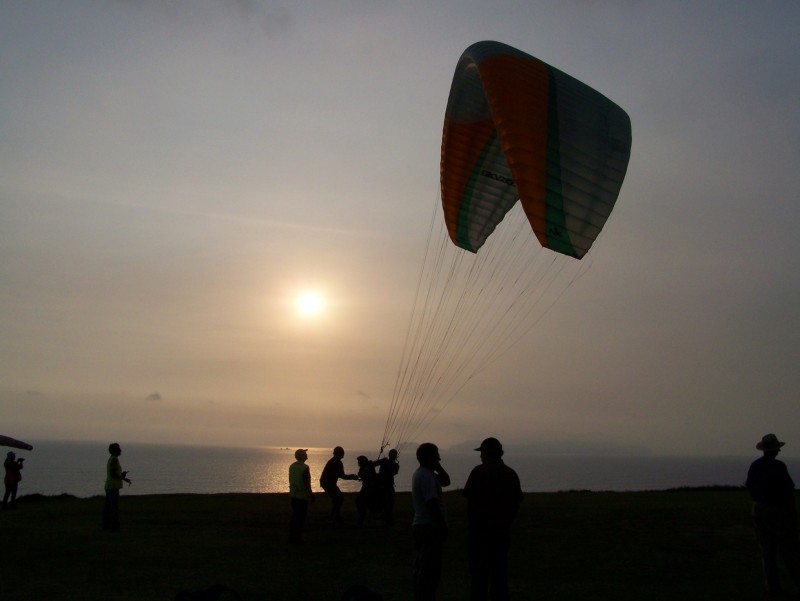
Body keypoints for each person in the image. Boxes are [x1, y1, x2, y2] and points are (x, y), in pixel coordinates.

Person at [462, 437, 523, 601]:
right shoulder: (510, 474)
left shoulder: (478, 471)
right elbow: (516, 502)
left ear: (487, 453)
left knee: (478, 575)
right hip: (501, 532)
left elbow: (469, 497)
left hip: (479, 533)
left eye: (481, 452)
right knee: (499, 573)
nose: (480, 456)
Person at [746, 433, 800, 598]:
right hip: (776, 510)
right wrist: (793, 514)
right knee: (789, 551)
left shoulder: (755, 465)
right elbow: (787, 491)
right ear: (775, 449)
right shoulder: (778, 467)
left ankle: (773, 588)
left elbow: (750, 486)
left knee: (767, 552)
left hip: (758, 508)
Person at [411, 442, 450, 601]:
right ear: (428, 457)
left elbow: (446, 481)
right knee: (429, 568)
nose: (439, 458)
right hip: (428, 527)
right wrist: (442, 526)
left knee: (424, 565)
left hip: (422, 526)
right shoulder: (426, 476)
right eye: (436, 455)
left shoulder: (425, 473)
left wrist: (437, 466)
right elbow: (431, 503)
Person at [320, 446, 358, 523]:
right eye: (342, 453)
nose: (343, 454)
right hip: (328, 483)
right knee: (339, 498)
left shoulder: (333, 461)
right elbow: (342, 476)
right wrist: (352, 477)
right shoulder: (337, 462)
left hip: (327, 483)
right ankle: (333, 517)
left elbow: (340, 475)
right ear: (339, 454)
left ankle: (335, 516)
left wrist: (352, 477)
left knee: (338, 499)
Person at [102, 442, 131, 531]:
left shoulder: (111, 459)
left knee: (109, 508)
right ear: (115, 450)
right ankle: (113, 527)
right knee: (113, 508)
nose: (120, 450)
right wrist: (123, 478)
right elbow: (113, 474)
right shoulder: (114, 459)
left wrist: (122, 476)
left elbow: (113, 473)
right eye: (119, 449)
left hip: (110, 486)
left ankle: (108, 526)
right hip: (112, 487)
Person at [289, 448, 314, 543]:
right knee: (300, 517)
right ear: (302, 456)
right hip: (302, 496)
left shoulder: (292, 466)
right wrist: (311, 494)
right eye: (304, 453)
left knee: (295, 516)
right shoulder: (305, 467)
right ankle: (297, 538)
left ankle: (292, 536)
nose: (306, 455)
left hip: (293, 494)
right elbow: (306, 482)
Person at [374, 449, 400, 525]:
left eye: (394, 455)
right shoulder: (384, 461)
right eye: (392, 455)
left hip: (388, 485)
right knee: (386, 501)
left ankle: (386, 515)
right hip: (382, 485)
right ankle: (386, 516)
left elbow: (393, 472)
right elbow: (373, 464)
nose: (393, 456)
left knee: (391, 501)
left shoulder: (395, 465)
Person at [355, 455, 380, 524]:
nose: (358, 463)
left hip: (368, 488)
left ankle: (362, 517)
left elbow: (367, 477)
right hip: (366, 488)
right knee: (361, 502)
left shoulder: (366, 469)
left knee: (360, 501)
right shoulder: (366, 468)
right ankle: (363, 516)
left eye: (359, 462)